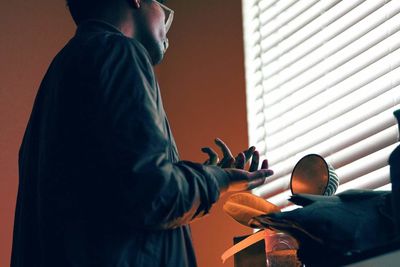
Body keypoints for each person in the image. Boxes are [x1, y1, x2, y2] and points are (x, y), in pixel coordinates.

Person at [11, 0, 273, 266]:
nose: (167, 31)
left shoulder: (58, 80)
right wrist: (217, 179)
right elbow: (154, 194)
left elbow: (119, 194)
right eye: (163, 7)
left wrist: (200, 177)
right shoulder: (117, 51)